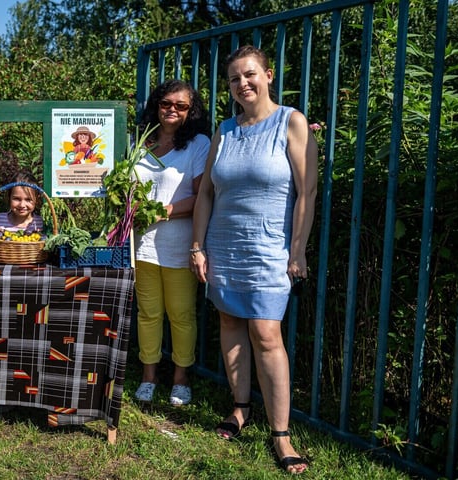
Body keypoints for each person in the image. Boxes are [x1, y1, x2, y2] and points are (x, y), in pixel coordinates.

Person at [190, 45, 317, 474]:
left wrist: (297, 248)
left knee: (266, 334)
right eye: (233, 79)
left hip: (268, 249)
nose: (242, 84)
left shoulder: (291, 122)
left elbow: (307, 192)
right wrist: (198, 246)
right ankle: (240, 408)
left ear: (268, 75)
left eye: (249, 75)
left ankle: (281, 434)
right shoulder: (225, 130)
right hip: (224, 245)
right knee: (229, 323)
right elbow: (206, 192)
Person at [132, 80, 211, 407]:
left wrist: (161, 211)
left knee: (180, 315)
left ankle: (181, 379)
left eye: (181, 106)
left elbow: (202, 197)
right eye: (167, 103)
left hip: (179, 245)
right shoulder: (141, 142)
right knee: (148, 314)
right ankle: (149, 376)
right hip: (142, 245)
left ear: (191, 111)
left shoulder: (198, 144)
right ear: (157, 105)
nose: (172, 110)